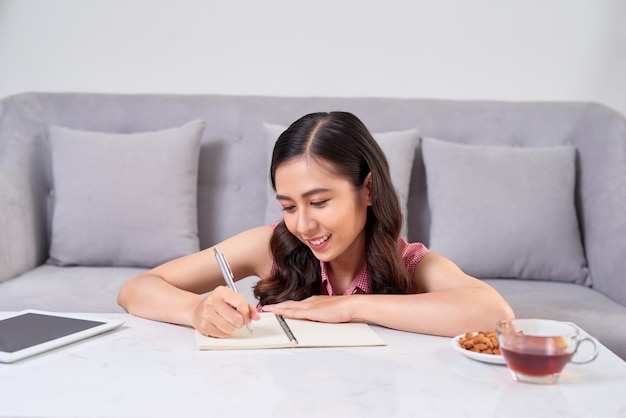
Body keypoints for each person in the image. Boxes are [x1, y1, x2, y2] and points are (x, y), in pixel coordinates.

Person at [117, 111, 514, 338]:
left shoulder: (411, 264)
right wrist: (196, 309)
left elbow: (495, 315)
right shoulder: (270, 246)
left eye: (319, 202)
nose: (303, 225)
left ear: (368, 189)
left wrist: (350, 307)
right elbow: (136, 290)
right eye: (288, 206)